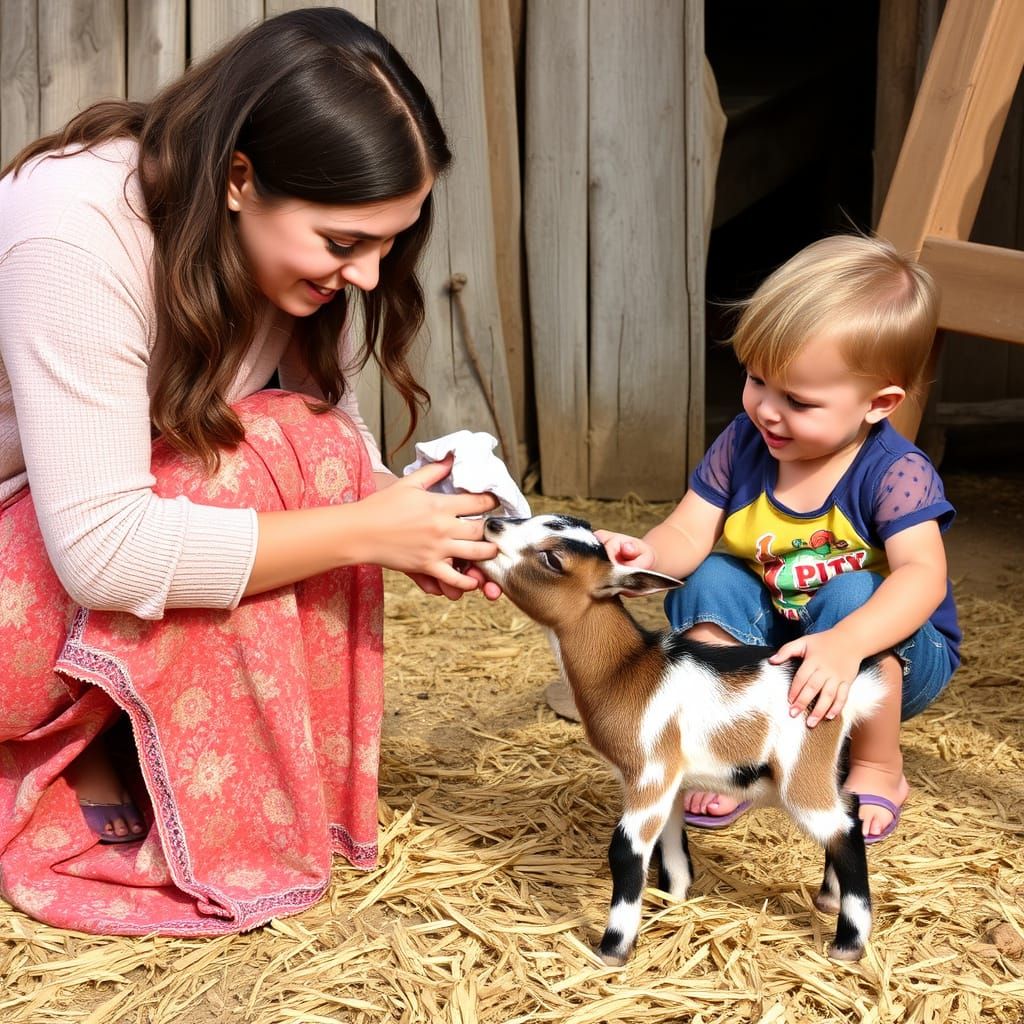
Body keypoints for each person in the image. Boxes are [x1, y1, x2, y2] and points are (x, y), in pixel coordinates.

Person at [0, 7, 502, 935]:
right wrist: (368, 533)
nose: (366, 275)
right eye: (344, 242)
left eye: (390, 241)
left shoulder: (280, 265)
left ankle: (147, 757)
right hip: (21, 596)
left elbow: (333, 453)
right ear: (239, 178)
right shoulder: (75, 228)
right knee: (252, 463)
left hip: (64, 560)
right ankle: (65, 754)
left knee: (303, 443)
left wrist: (441, 529)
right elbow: (104, 553)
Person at [594, 234, 960, 843]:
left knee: (853, 592)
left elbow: (922, 576)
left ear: (879, 403)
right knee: (711, 578)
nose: (766, 409)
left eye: (798, 400)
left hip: (882, 662)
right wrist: (647, 555)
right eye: (757, 380)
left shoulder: (895, 472)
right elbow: (690, 527)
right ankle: (729, 752)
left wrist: (846, 644)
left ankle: (876, 765)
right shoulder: (743, 443)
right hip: (775, 653)